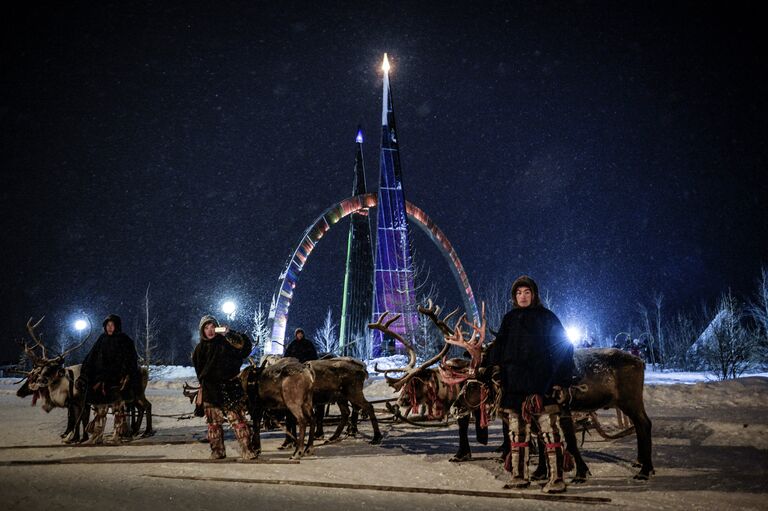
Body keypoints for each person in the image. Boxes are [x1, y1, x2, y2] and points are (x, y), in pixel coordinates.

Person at [486, 276, 576, 494]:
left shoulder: (547, 318)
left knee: (549, 433)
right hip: (514, 388)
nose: (522, 296)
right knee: (517, 434)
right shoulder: (509, 319)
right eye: (518, 293)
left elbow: (564, 349)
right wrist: (494, 370)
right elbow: (498, 350)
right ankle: (519, 476)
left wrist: (560, 381)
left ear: (534, 294)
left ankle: (556, 478)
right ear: (514, 297)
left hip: (542, 387)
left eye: (527, 292)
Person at [192, 315, 256, 460]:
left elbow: (245, 348)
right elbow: (199, 371)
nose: (210, 330)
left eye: (212, 327)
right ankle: (217, 451)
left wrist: (229, 333)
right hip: (210, 390)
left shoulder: (227, 342)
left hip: (230, 387)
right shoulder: (199, 349)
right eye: (206, 327)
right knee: (213, 424)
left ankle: (248, 450)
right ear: (202, 330)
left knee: (238, 421)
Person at [77, 314, 142, 444]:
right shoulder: (102, 339)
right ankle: (97, 436)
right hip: (101, 382)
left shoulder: (125, 340)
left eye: (112, 325)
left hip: (117, 382)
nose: (110, 327)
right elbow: (91, 357)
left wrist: (124, 374)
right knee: (100, 411)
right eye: (107, 325)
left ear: (117, 326)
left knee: (118, 411)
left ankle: (117, 435)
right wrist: (85, 373)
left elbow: (130, 361)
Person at [280, 328, 320, 446]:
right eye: (298, 334)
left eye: (301, 333)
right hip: (294, 369)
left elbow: (313, 356)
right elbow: (286, 357)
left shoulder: (308, 344)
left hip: (304, 368)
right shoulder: (292, 345)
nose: (299, 335)